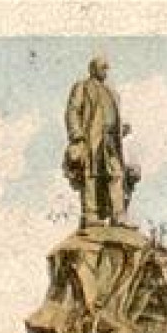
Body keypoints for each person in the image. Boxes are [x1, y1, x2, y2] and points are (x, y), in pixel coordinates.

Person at [64, 56, 131, 227]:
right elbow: (72, 111)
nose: (106, 71)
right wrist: (77, 136)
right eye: (103, 67)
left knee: (117, 174)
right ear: (93, 69)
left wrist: (120, 129)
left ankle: (119, 216)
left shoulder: (111, 92)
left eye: (107, 68)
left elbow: (110, 116)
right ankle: (90, 214)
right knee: (92, 173)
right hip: (92, 138)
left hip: (111, 140)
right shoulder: (83, 87)